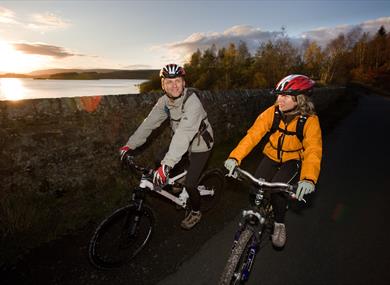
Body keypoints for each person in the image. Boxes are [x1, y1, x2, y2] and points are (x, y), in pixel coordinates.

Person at [224, 74, 322, 248]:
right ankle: (255, 219)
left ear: (299, 99)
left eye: (284, 96)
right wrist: (235, 156)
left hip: (292, 160)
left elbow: (313, 151)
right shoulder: (273, 112)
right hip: (271, 155)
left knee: (278, 192)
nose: (279, 99)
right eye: (278, 95)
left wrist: (308, 178)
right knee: (256, 189)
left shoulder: (310, 121)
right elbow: (253, 135)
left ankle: (279, 223)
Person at [119, 63, 214, 230]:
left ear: (184, 82)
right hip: (180, 140)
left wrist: (167, 165)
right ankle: (179, 182)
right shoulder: (164, 102)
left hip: (200, 144)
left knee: (190, 184)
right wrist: (129, 145)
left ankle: (196, 211)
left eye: (178, 81)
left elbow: (185, 132)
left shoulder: (192, 102)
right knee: (159, 159)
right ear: (163, 85)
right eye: (169, 82)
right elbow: (148, 124)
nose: (174, 85)